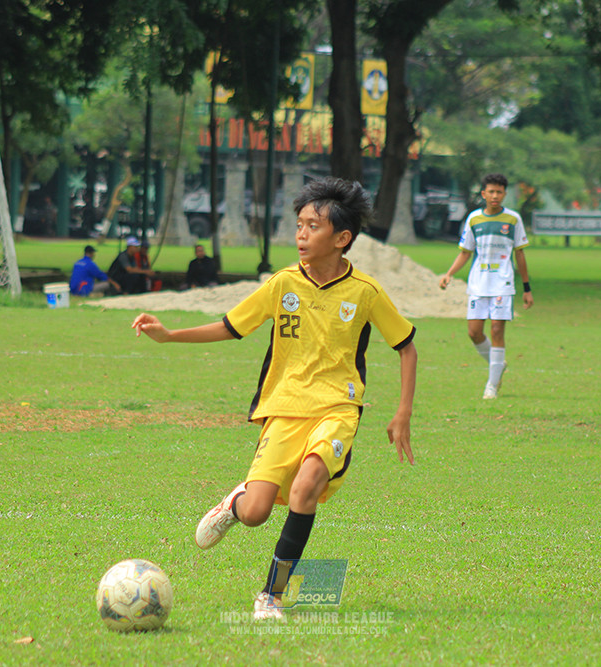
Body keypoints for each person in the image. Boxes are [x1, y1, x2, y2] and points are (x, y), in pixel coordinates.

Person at [131, 177, 417, 621]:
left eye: (312, 227)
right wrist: (169, 336)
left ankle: (271, 595)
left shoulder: (365, 292)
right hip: (284, 409)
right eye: (299, 225)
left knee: (306, 487)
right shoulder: (282, 282)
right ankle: (234, 503)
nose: (301, 234)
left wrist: (403, 412)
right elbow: (230, 326)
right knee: (257, 513)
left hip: (338, 410)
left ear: (342, 239)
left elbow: (406, 346)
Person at [438, 173, 533, 400]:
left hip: (503, 283)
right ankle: (498, 365)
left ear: (504, 194)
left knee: (497, 330)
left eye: (499, 192)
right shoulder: (473, 219)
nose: (495, 196)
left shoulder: (513, 220)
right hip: (479, 283)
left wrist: (527, 288)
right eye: (491, 191)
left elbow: (520, 254)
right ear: (483, 194)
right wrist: (449, 274)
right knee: (474, 332)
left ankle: (491, 385)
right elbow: (465, 252)